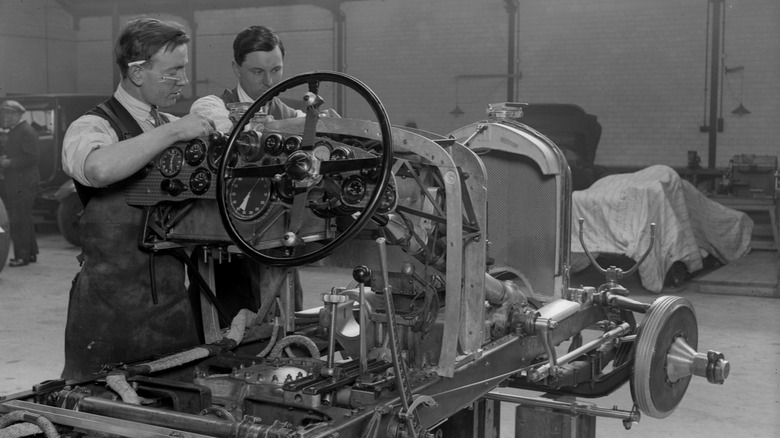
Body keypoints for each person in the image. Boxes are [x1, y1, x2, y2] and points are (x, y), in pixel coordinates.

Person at [60, 17, 214, 380]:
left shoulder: (170, 126)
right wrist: (176, 130)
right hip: (106, 313)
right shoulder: (92, 126)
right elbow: (98, 169)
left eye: (185, 70)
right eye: (174, 71)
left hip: (173, 306)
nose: (185, 81)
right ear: (138, 73)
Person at [0, 100, 40, 267]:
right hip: (20, 182)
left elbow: (31, 157)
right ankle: (30, 253)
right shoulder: (18, 130)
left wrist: (9, 163)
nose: (5, 117)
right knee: (25, 217)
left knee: (19, 218)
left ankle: (21, 257)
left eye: (9, 114)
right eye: (4, 114)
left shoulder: (25, 131)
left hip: (23, 183)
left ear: (18, 115)